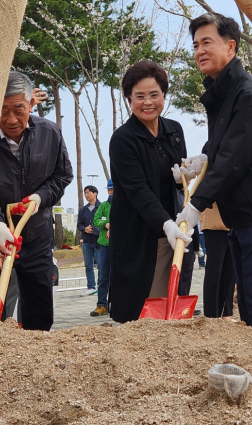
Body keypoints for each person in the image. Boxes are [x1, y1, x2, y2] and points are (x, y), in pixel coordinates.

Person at [174, 13, 252, 331]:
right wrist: (203, 159)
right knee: (248, 303)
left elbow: (235, 158)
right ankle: (250, 369)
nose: (199, 51)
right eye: (195, 45)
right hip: (240, 215)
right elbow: (222, 146)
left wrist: (196, 205)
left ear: (231, 46)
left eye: (207, 42)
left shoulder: (248, 95)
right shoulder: (225, 94)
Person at [0, 71, 73, 331]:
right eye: (2, 111)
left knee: (39, 310)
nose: (11, 119)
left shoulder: (49, 132)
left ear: (31, 104)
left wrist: (40, 197)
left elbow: (62, 175)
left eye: (18, 109)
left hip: (36, 236)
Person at [108, 60, 191, 323]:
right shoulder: (123, 139)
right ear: (129, 99)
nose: (148, 102)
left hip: (176, 230)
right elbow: (138, 190)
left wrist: (185, 177)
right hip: (140, 236)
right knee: (142, 312)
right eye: (139, 96)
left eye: (154, 95)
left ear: (164, 95)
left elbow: (179, 180)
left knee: (174, 305)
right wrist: (165, 224)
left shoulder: (174, 131)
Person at [200, 202, 236, 318]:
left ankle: (227, 313)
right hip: (214, 224)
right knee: (214, 272)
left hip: (233, 224)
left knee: (230, 273)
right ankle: (211, 315)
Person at [91, 179, 114, 316]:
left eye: (112, 189)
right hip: (105, 245)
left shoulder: (125, 204)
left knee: (119, 276)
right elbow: (96, 219)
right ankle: (101, 305)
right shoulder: (104, 205)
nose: (110, 192)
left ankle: (117, 304)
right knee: (103, 276)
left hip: (121, 246)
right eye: (109, 189)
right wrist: (104, 224)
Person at [77, 185, 101, 296]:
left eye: (88, 192)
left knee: (101, 265)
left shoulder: (102, 207)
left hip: (99, 241)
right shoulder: (83, 210)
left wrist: (95, 230)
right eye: (85, 193)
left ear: (95, 193)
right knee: (88, 265)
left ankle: (102, 286)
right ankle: (91, 287)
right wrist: (85, 229)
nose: (86, 195)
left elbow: (106, 223)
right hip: (86, 241)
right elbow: (79, 224)